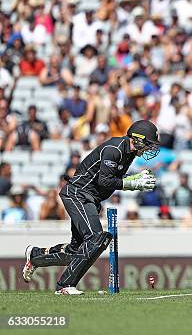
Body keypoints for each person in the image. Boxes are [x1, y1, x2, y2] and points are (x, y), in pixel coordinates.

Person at [22, 120, 160, 295]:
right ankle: (64, 285)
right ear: (138, 139)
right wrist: (131, 183)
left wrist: (132, 178)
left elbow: (109, 177)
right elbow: (104, 180)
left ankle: (35, 256)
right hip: (78, 194)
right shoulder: (114, 149)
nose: (149, 148)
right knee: (96, 239)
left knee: (76, 252)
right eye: (148, 144)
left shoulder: (129, 153)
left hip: (90, 199)